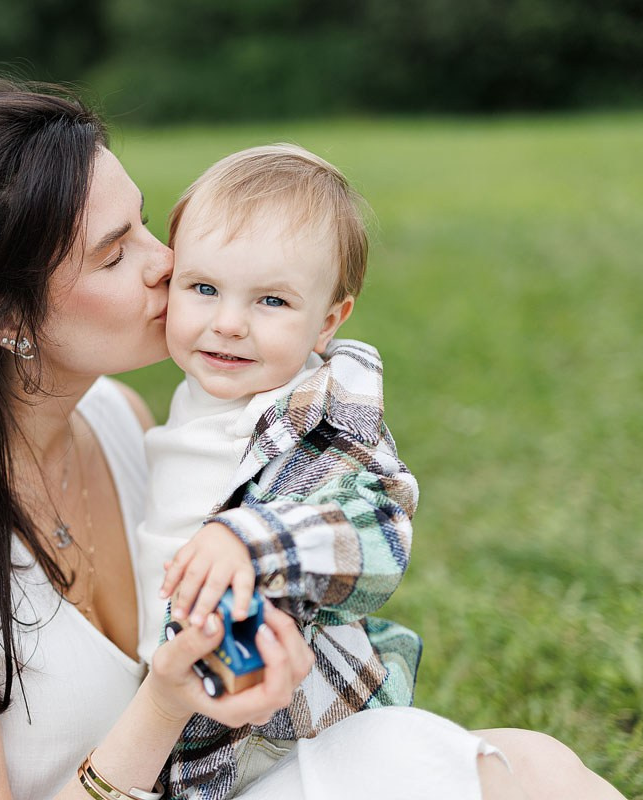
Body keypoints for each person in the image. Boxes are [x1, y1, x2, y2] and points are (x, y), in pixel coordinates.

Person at [0, 75, 625, 800]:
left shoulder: (124, 424)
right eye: (117, 253)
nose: (167, 262)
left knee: (535, 767)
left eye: (147, 223)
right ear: (8, 318)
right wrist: (166, 703)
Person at [134, 144, 423, 797]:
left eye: (271, 301)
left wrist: (249, 535)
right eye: (203, 288)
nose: (228, 323)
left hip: (294, 734)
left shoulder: (316, 415)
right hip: (192, 722)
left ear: (327, 322)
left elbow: (380, 525)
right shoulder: (196, 400)